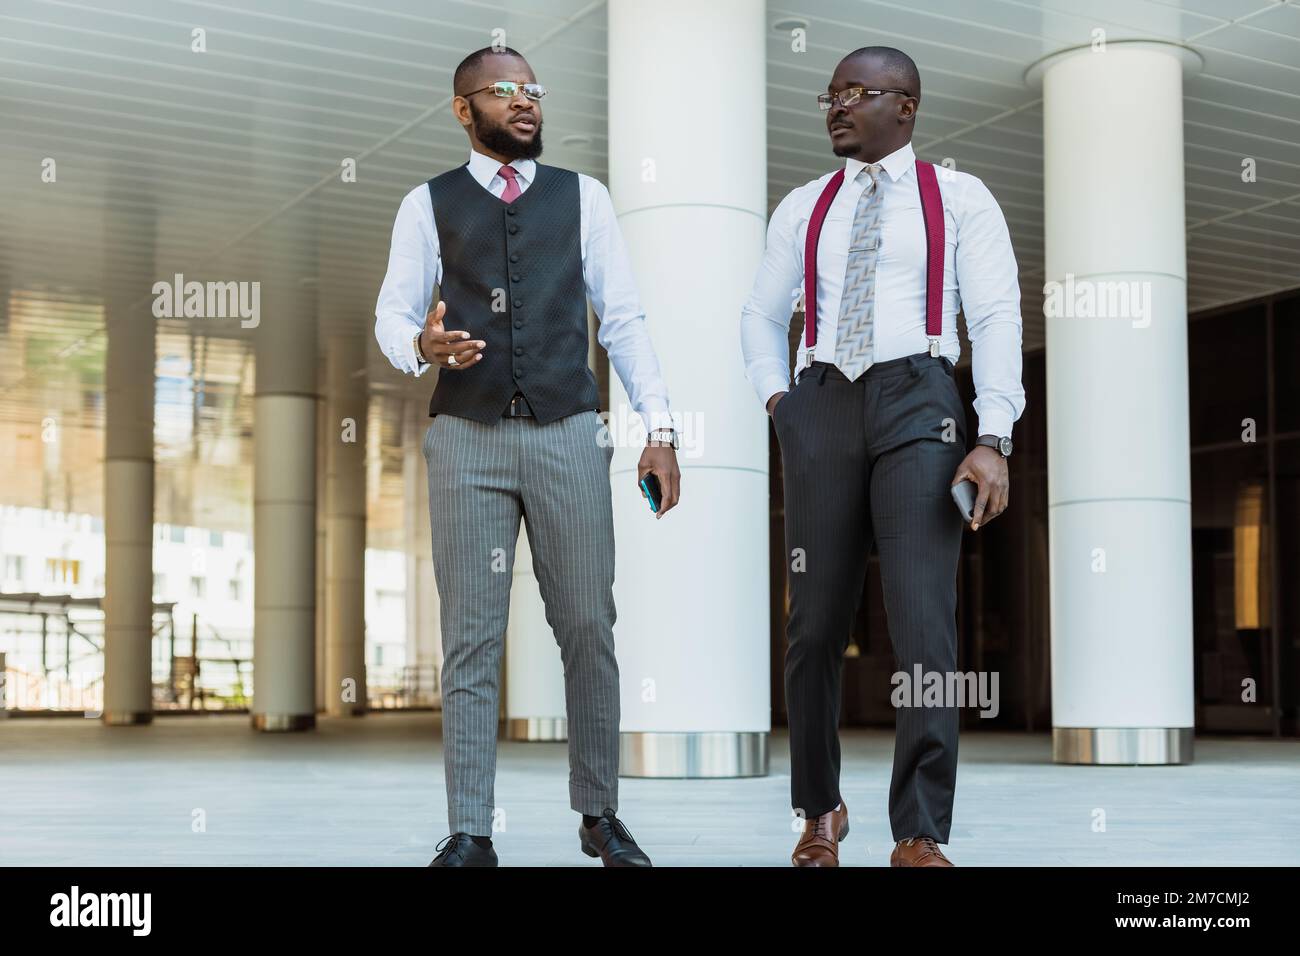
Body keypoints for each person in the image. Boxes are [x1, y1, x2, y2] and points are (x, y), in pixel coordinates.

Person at [375, 46, 681, 867]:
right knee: (471, 638)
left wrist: (661, 428)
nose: (524, 102)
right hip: (466, 439)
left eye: (532, 91)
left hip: (569, 435)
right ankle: (471, 830)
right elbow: (393, 317)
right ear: (462, 108)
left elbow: (623, 319)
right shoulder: (426, 204)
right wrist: (421, 344)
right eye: (504, 91)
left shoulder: (585, 199)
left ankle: (599, 811)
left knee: (588, 624)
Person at [740, 46, 1025, 867]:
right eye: (829, 95)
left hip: (920, 399)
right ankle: (820, 809)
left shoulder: (960, 198)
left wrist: (992, 434)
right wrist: (780, 403)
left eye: (854, 94)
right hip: (821, 400)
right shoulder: (802, 206)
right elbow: (760, 315)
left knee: (923, 621)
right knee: (813, 623)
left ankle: (919, 829)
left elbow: (999, 314)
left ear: (905, 107)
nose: (835, 108)